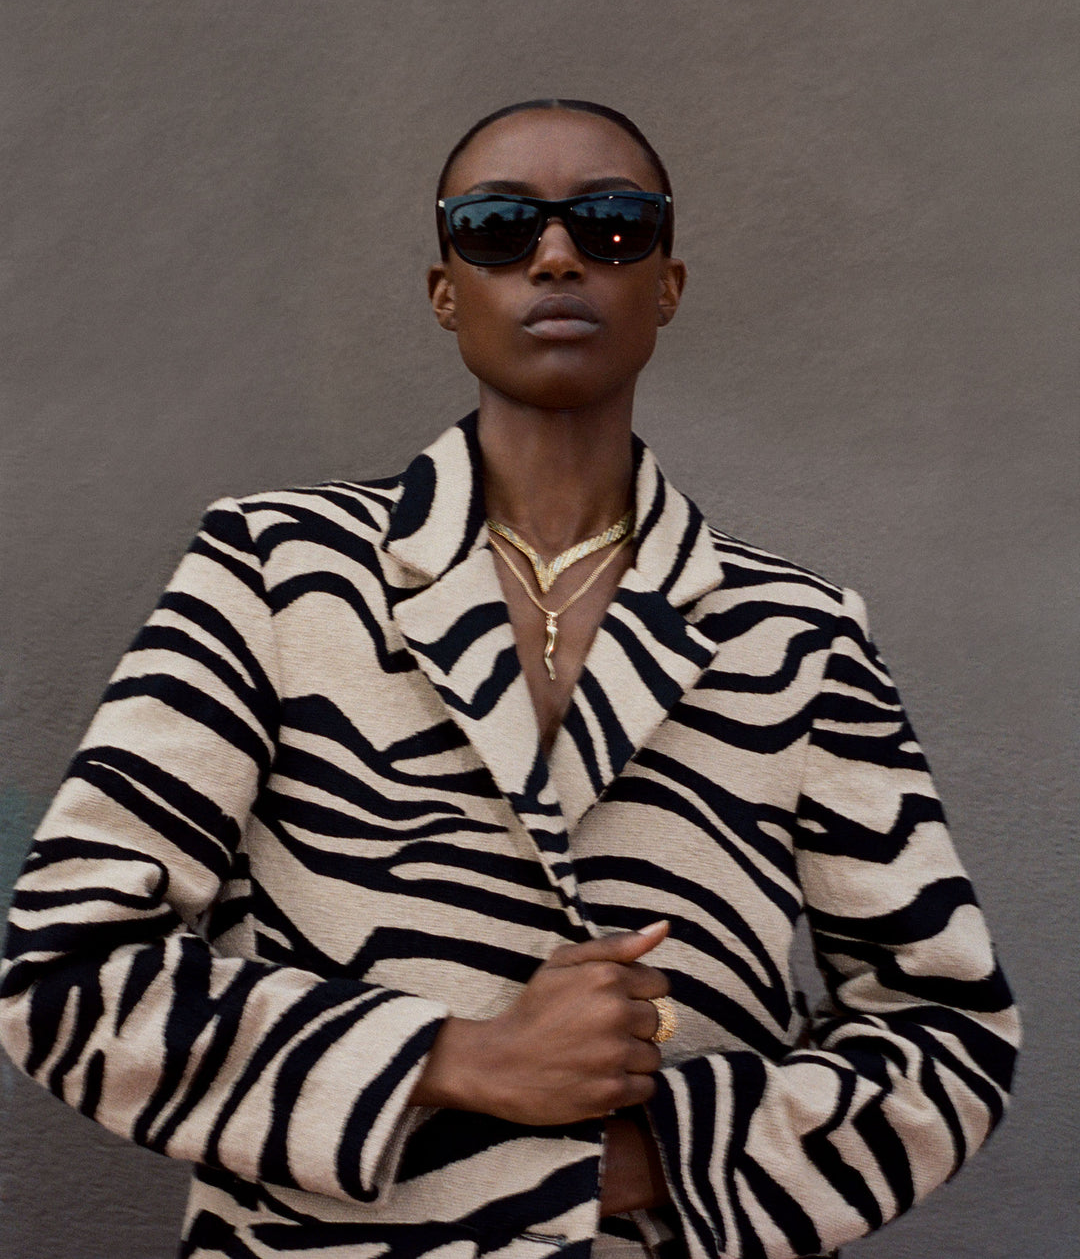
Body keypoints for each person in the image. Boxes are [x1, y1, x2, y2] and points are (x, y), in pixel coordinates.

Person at [0, 100, 1020, 1259]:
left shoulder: (797, 633)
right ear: (445, 289)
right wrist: (467, 1063)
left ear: (668, 285)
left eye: (613, 225)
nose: (556, 254)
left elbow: (947, 1032)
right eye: (495, 226)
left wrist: (643, 1163)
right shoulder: (277, 571)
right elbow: (66, 969)